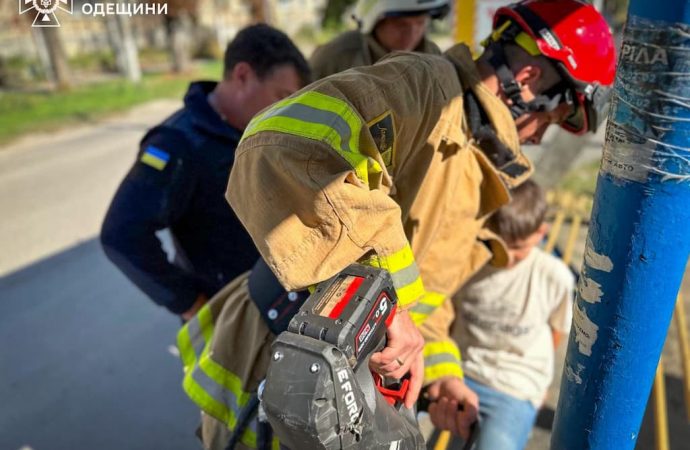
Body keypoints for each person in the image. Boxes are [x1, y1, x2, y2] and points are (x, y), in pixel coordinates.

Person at [176, 1, 615, 448]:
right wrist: (390, 305)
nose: (539, 137)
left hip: (347, 391)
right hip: (284, 365)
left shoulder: (477, 156)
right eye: (551, 119)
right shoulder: (427, 88)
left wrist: (443, 372)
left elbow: (431, 294)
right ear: (528, 81)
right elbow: (283, 143)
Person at [100, 24, 310, 321]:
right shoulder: (178, 145)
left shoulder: (256, 129)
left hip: (278, 302)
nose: (286, 110)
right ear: (242, 76)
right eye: (281, 96)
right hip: (231, 318)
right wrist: (192, 304)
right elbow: (122, 235)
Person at [450, 180, 574, 450]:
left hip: (514, 385)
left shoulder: (554, 277)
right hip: (457, 369)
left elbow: (558, 329)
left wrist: (538, 380)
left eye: (518, 248)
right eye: (500, 245)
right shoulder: (468, 262)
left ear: (542, 232)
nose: (507, 257)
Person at [310, 0, 449, 80]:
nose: (411, 34)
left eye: (420, 23)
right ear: (375, 22)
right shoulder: (336, 57)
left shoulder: (433, 55)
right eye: (401, 25)